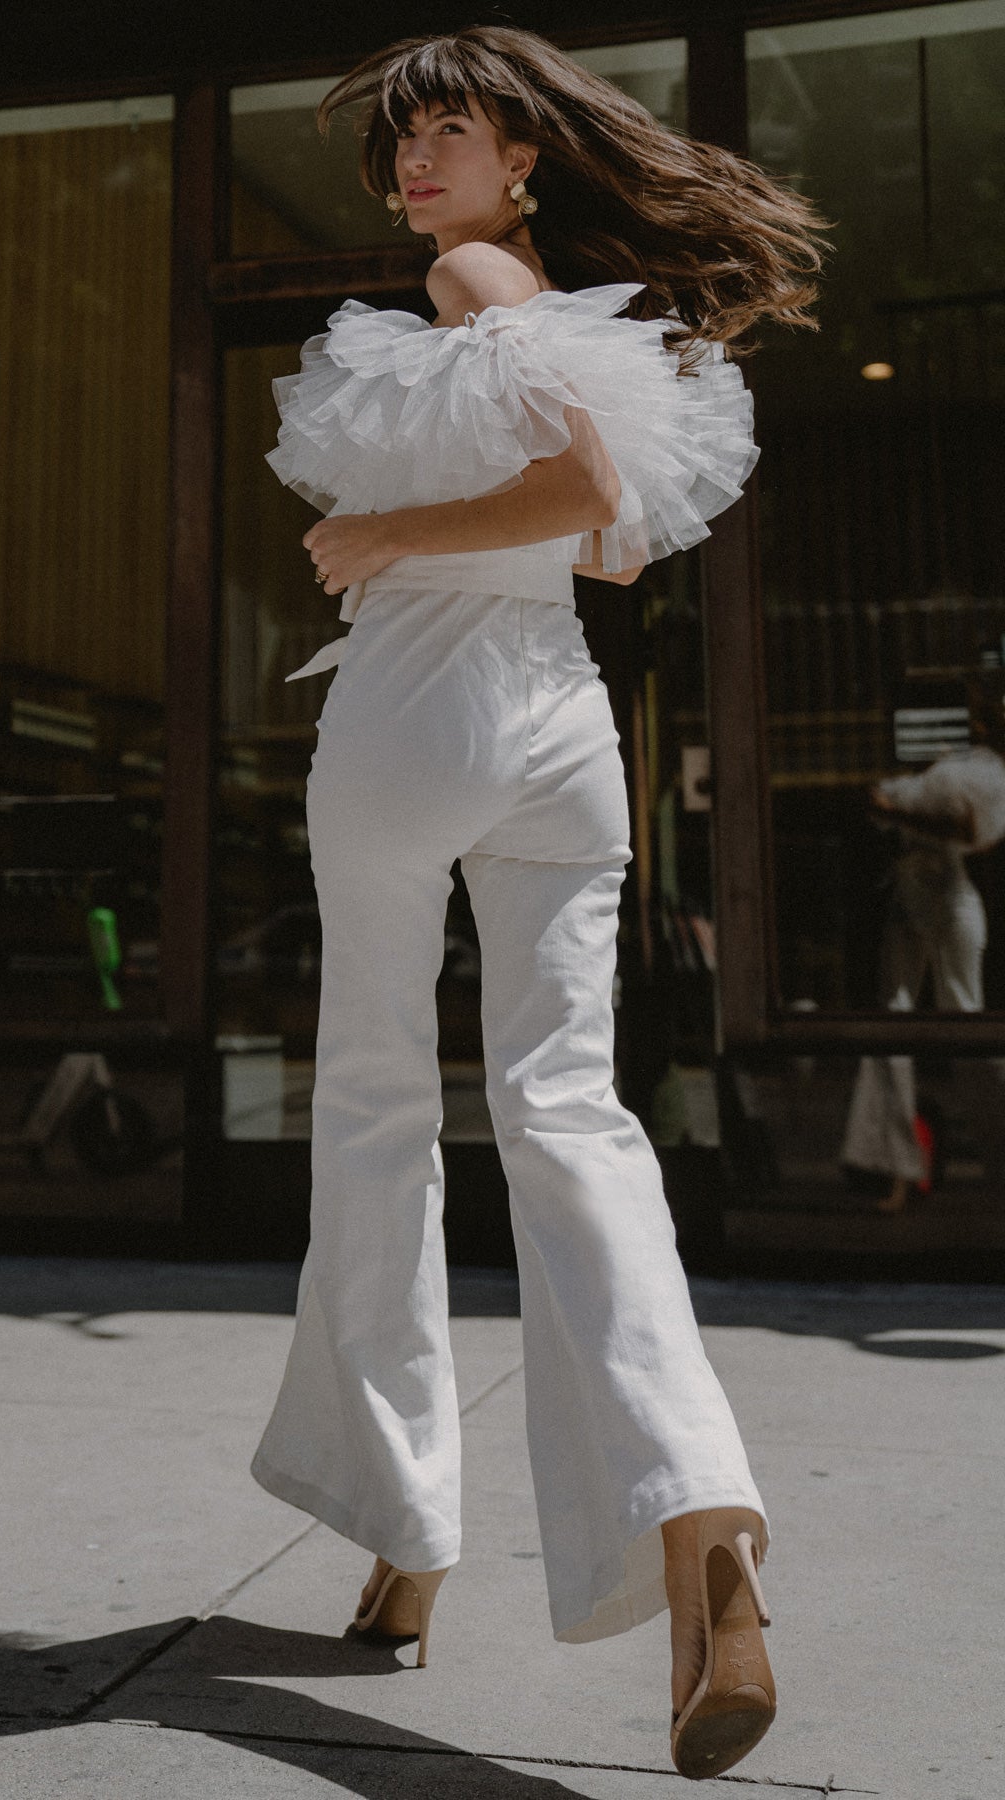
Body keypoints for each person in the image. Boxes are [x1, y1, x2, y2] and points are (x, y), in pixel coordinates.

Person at [248, 26, 832, 1781]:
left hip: (417, 719)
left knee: (370, 1106)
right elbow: (620, 548)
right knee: (571, 1114)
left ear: (522, 166)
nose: (419, 163)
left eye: (454, 131)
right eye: (405, 137)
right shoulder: (563, 310)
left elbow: (585, 496)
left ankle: (406, 1532)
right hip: (559, 731)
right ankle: (698, 1521)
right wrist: (475, 529)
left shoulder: (470, 277)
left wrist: (380, 543)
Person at [841, 697, 1005, 1214]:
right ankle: (890, 1164)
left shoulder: (990, 779)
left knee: (964, 1021)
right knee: (894, 1022)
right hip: (914, 897)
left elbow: (971, 831)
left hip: (948, 902)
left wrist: (898, 812)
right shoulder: (963, 767)